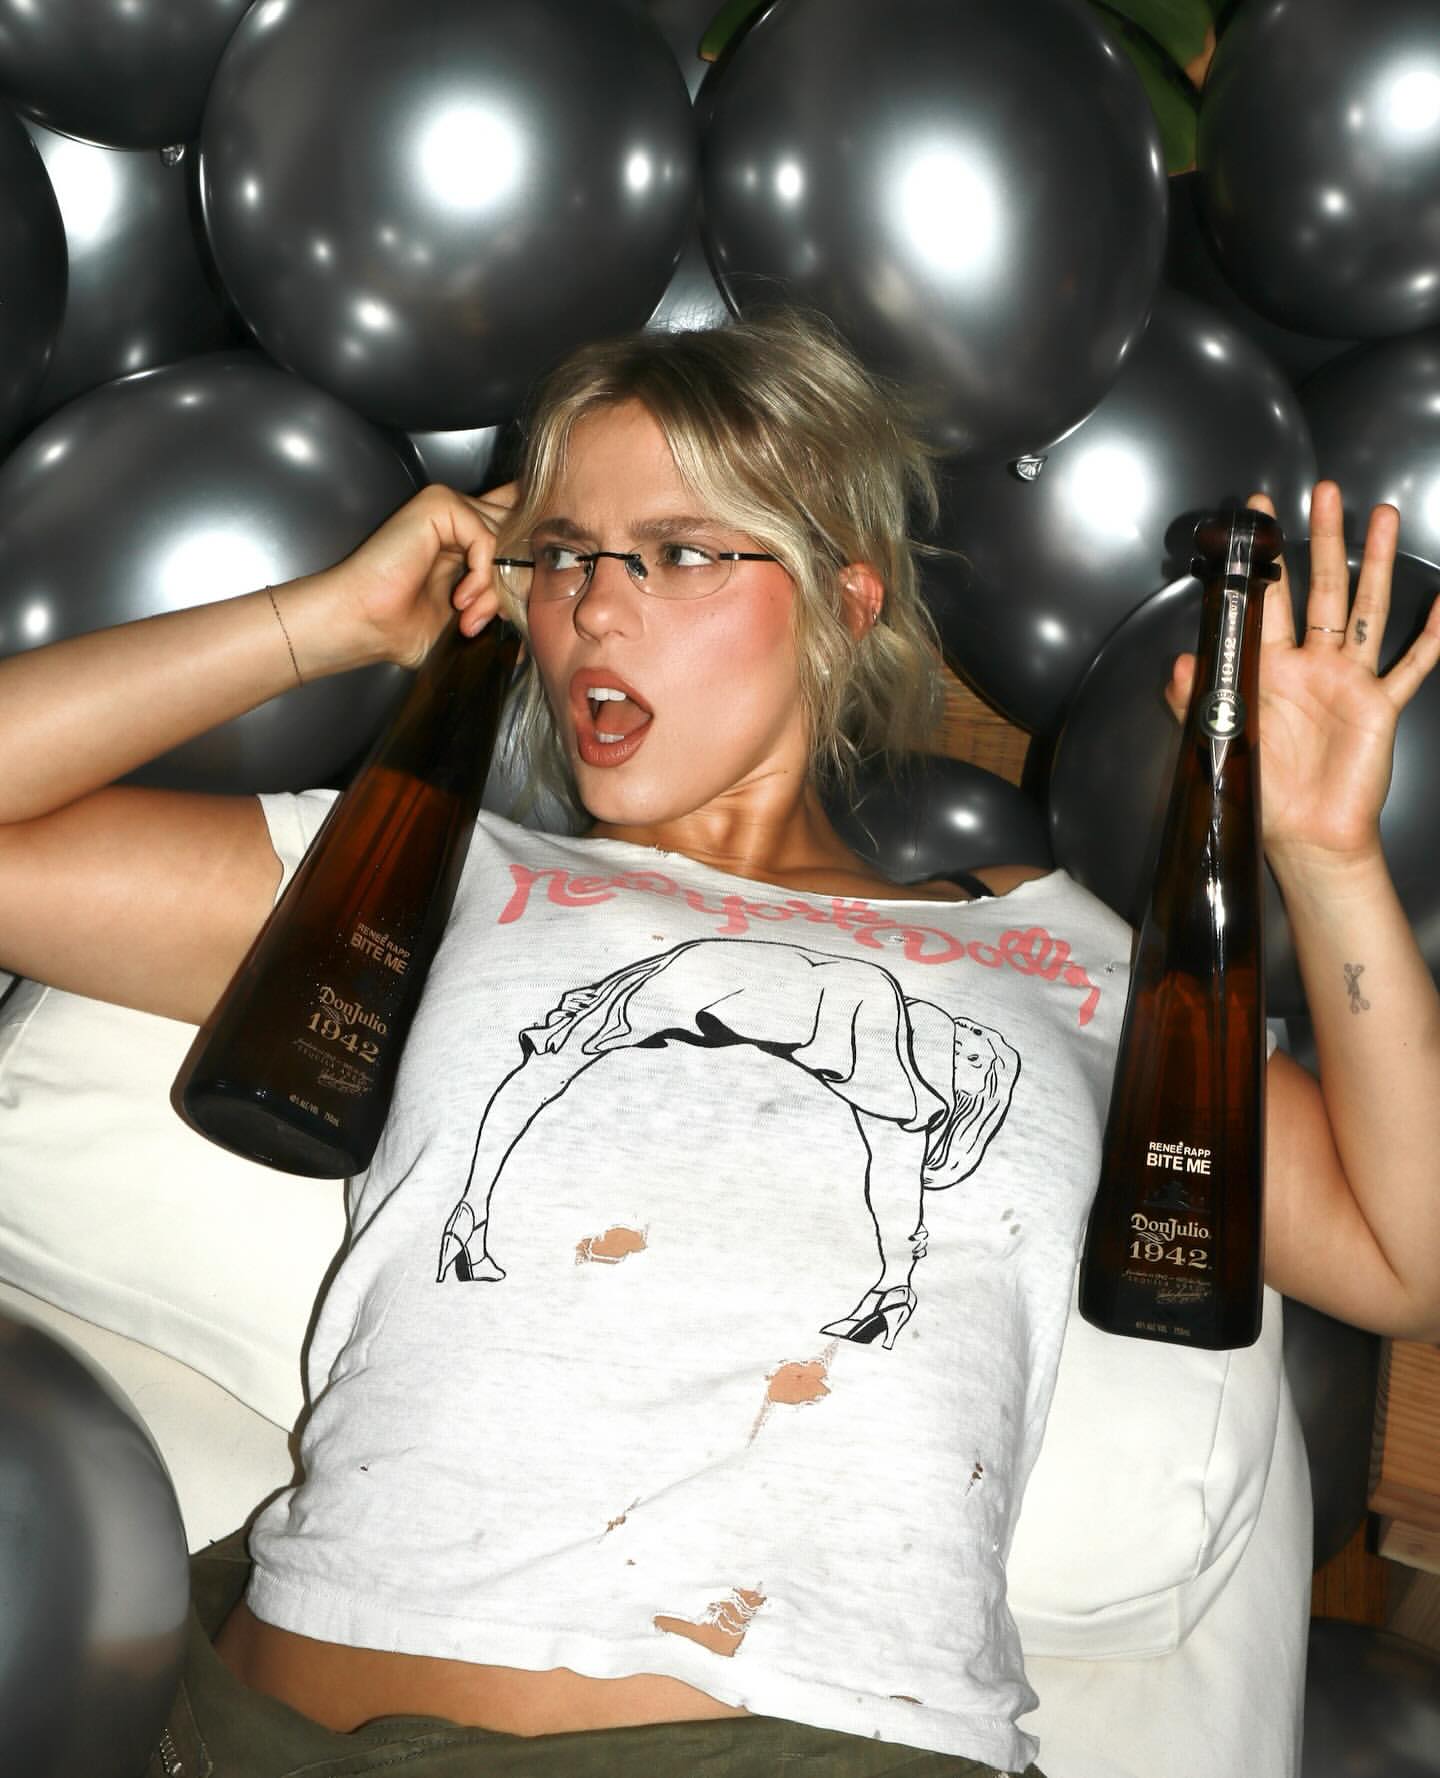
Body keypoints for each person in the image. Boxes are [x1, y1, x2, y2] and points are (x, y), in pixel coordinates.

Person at [1, 312, 1438, 1778]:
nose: (594, 610)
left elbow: (1407, 1254)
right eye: (563, 554)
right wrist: (333, 622)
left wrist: (1329, 859)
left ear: (846, 599)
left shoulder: (1053, 950)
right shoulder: (436, 870)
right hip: (277, 1730)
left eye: (678, 552)